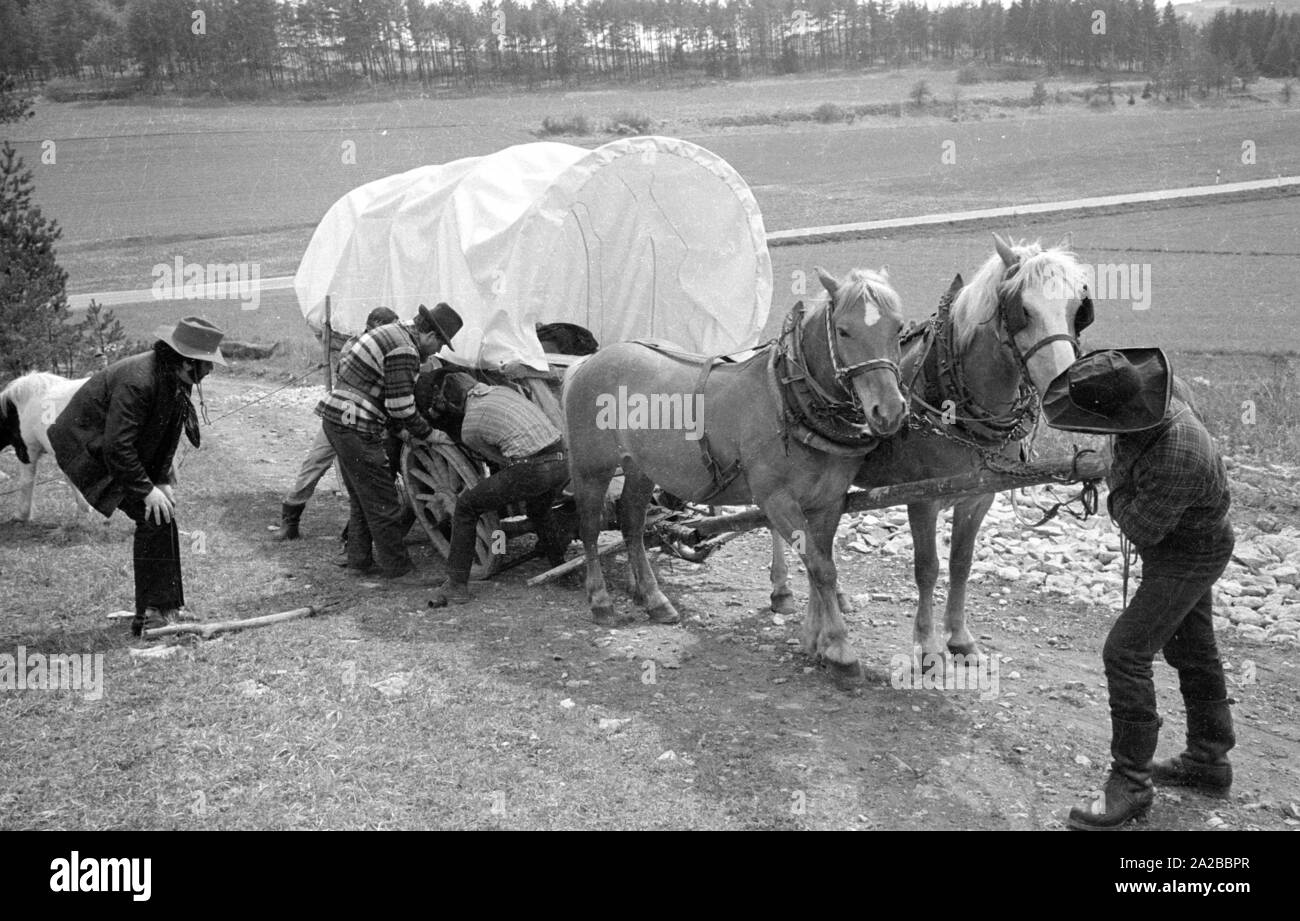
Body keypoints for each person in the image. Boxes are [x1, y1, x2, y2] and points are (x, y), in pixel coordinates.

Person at [1042, 349, 1236, 831]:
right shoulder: (1146, 402)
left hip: (1188, 552)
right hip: (1179, 539)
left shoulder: (1177, 452)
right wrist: (1111, 460)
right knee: (1193, 650)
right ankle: (1209, 760)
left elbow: (1140, 527)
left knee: (1125, 652)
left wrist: (1105, 475)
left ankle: (1130, 784)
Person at [48, 317, 226, 637]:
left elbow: (166, 434)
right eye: (207, 364)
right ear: (188, 363)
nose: (211, 371)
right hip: (86, 445)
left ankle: (166, 607)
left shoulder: (174, 376)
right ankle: (150, 616)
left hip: (113, 448)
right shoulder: (138, 381)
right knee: (151, 514)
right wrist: (145, 489)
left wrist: (161, 481)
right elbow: (117, 447)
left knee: (162, 513)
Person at [316, 303, 462, 586]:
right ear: (429, 333)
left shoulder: (389, 333)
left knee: (362, 498)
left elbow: (379, 391)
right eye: (439, 344)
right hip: (355, 426)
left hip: (337, 420)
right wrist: (429, 433)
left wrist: (402, 431)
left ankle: (359, 561)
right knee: (383, 500)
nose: (436, 352)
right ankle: (399, 570)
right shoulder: (405, 349)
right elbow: (401, 406)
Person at [427, 372, 570, 607]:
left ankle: (456, 584)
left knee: (466, 507)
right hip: (563, 462)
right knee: (540, 509)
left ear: (453, 403)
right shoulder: (504, 391)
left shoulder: (469, 426)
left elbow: (501, 461)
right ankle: (561, 565)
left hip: (533, 470)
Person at [272, 306, 401, 542]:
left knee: (360, 474)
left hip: (366, 417)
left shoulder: (383, 346)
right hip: (343, 414)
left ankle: (354, 532)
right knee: (316, 462)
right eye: (389, 326)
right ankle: (290, 519)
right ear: (375, 325)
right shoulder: (356, 346)